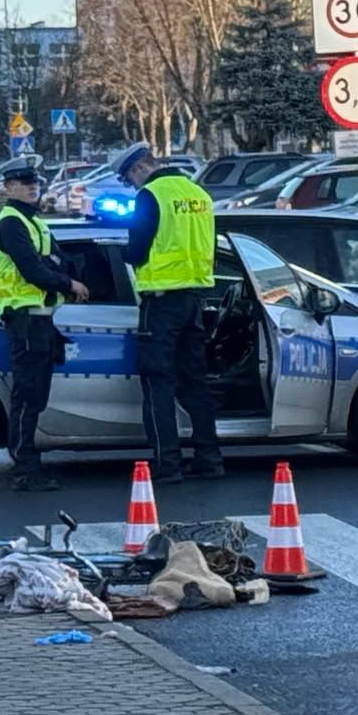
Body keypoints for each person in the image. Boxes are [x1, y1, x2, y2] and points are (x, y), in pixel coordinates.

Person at [116, 142, 224, 483]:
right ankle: (210, 458)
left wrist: (124, 251)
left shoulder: (150, 196)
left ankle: (168, 464)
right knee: (195, 382)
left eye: (129, 180)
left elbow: (136, 251)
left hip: (160, 303)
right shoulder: (198, 193)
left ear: (138, 170)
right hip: (194, 300)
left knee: (158, 383)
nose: (132, 187)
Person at [0, 158, 88, 492]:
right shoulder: (10, 223)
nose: (32, 187)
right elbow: (34, 270)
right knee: (28, 396)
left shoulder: (35, 222)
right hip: (24, 318)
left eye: (34, 182)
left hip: (41, 320)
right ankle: (25, 469)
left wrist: (66, 275)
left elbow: (56, 260)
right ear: (8, 187)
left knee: (36, 396)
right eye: (23, 182)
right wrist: (68, 284)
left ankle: (29, 464)